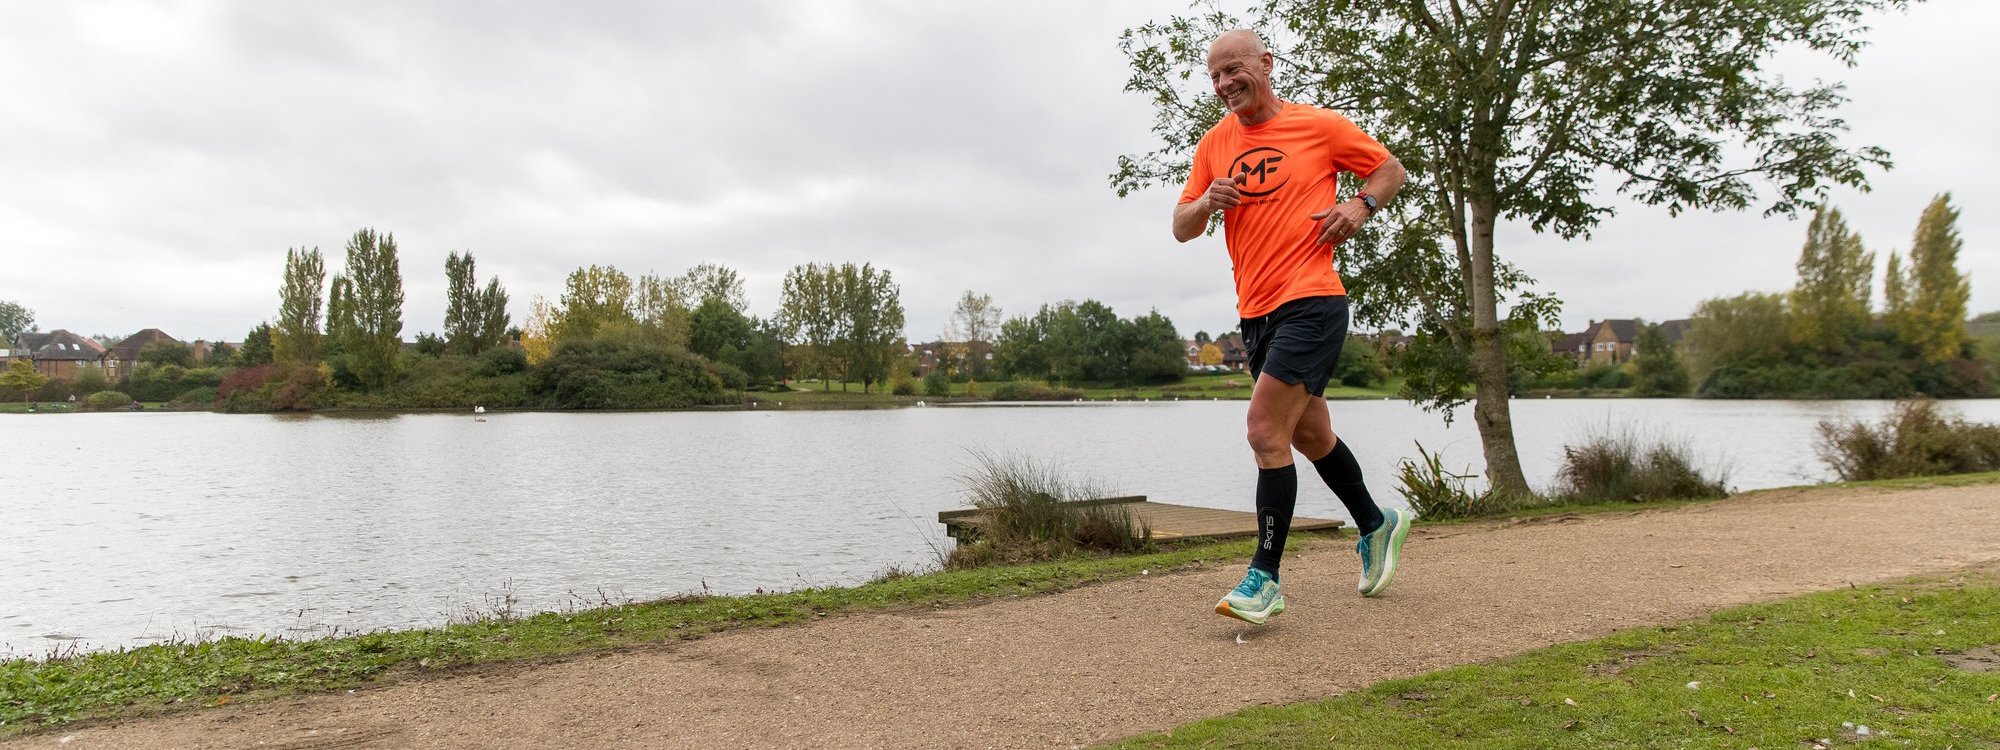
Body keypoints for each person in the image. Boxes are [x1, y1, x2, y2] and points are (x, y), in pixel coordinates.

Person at [1172, 29, 1411, 625]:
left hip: (1313, 301)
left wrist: (1359, 207)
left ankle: (1265, 579)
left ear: (1265, 64)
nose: (1226, 83)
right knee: (1308, 435)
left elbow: (1389, 171)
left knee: (1262, 431)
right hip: (1255, 314)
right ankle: (1376, 523)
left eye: (1234, 69)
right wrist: (1208, 203)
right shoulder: (1214, 144)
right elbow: (1181, 225)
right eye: (1215, 76)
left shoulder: (1319, 126)